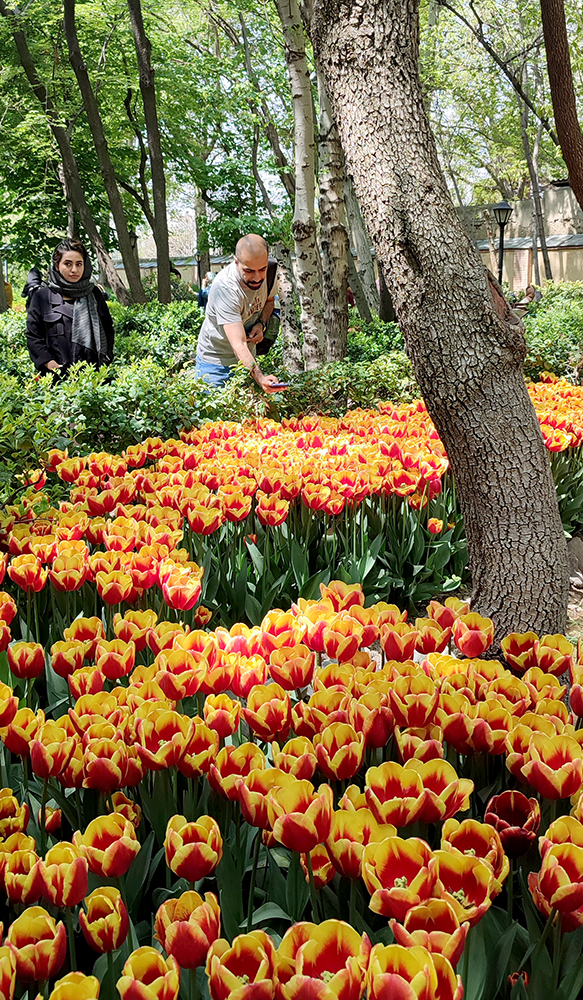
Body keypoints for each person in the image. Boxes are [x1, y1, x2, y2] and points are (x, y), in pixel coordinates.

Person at [195, 234, 284, 392]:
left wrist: (261, 324)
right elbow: (239, 344)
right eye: (249, 271)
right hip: (215, 365)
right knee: (213, 417)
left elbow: (269, 301)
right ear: (236, 262)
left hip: (246, 361)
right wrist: (260, 378)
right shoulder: (225, 288)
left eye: (261, 269)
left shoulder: (270, 272)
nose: (257, 278)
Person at [26, 238, 114, 378]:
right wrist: (48, 362)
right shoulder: (42, 296)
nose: (74, 270)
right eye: (68, 264)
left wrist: (106, 358)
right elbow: (33, 335)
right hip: (55, 378)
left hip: (92, 379)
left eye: (79, 264)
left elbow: (108, 329)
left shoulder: (94, 294)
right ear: (56, 265)